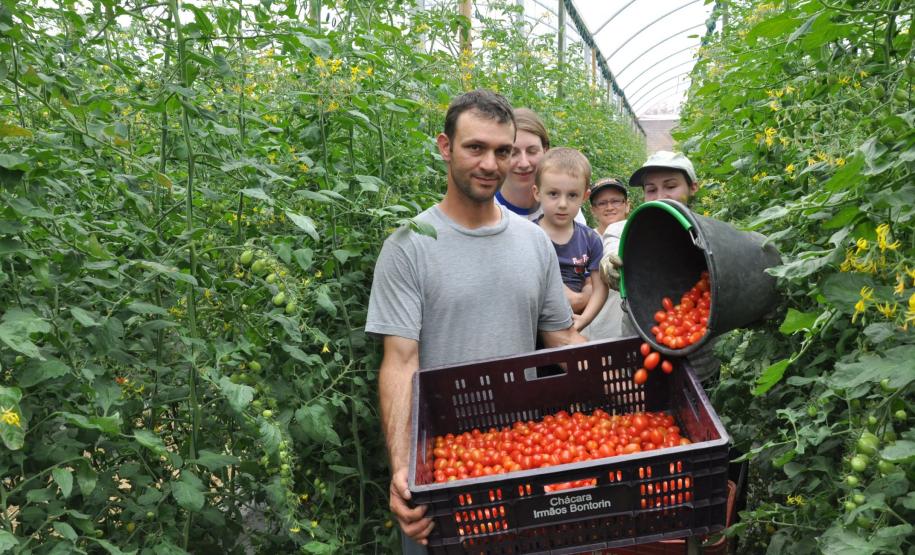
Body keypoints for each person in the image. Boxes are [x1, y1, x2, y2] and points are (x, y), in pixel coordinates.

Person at [365, 90, 586, 553]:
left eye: (502, 151)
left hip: (522, 459)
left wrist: (641, 351)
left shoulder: (533, 243)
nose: (491, 164)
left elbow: (561, 336)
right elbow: (400, 363)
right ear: (446, 147)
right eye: (476, 148)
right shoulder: (410, 246)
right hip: (443, 469)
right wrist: (402, 468)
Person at [599, 151, 720, 383]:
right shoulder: (624, 230)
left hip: (702, 364)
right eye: (651, 190)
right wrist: (610, 265)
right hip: (642, 359)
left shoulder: (709, 233)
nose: (661, 196)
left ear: (693, 187)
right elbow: (612, 249)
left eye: (670, 186)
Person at [532, 148, 608, 332]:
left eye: (572, 195)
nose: (563, 204)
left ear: (585, 196)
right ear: (537, 193)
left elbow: (600, 289)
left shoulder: (591, 239)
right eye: (553, 194)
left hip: (572, 326)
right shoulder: (529, 236)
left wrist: (583, 320)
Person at [496, 108, 588, 225]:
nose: (524, 163)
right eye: (513, 153)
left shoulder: (567, 211)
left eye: (532, 151)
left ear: (546, 151)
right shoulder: (485, 210)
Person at [582, 178, 630, 340]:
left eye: (616, 201)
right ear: (593, 210)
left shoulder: (639, 235)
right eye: (602, 203)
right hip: (596, 335)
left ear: (627, 205)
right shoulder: (583, 240)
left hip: (634, 332)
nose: (609, 207)